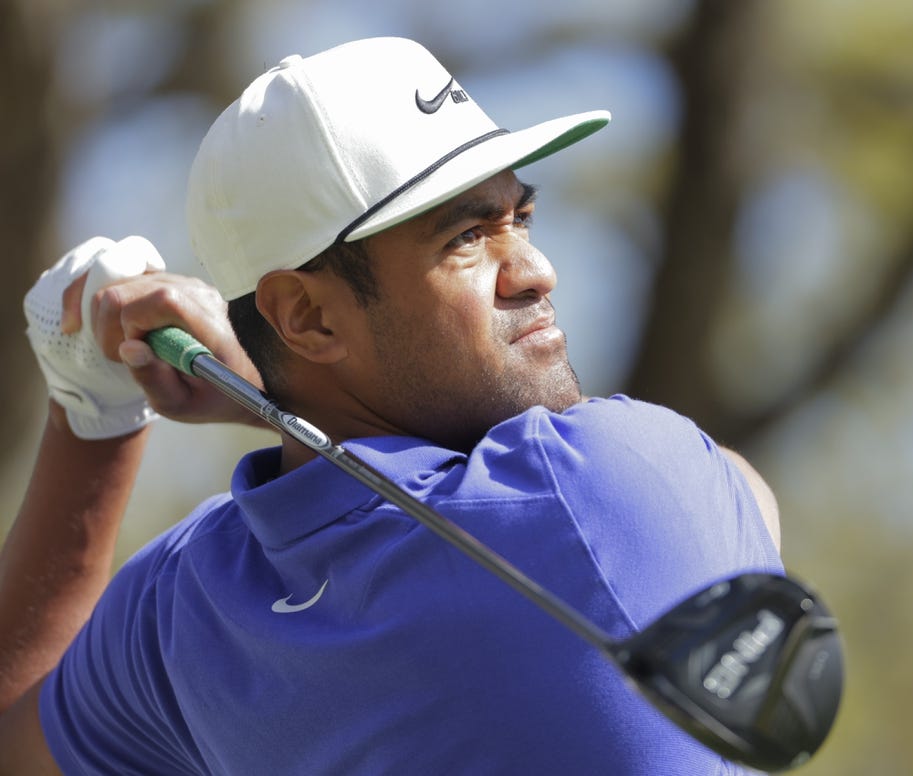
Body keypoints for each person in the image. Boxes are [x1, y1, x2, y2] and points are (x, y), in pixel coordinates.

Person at [0, 37, 782, 775]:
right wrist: (258, 395)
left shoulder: (185, 606)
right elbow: (746, 494)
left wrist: (90, 413)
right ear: (305, 319)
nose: (536, 270)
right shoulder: (606, 480)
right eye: (470, 236)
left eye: (522, 218)